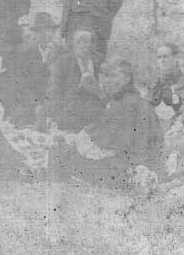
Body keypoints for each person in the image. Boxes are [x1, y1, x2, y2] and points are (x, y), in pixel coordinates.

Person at [51, 59, 162, 189]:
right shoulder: (127, 100)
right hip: (133, 161)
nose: (108, 81)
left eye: (113, 76)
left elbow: (109, 141)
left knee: (59, 153)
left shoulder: (127, 104)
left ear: (127, 79)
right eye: (106, 76)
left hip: (125, 164)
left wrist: (75, 138)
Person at [45, 28, 105, 131]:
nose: (82, 45)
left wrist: (96, 89)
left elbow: (106, 93)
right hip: (69, 118)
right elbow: (54, 92)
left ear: (93, 45)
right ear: (73, 44)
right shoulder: (63, 62)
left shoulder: (99, 63)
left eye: (85, 41)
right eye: (78, 41)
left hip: (95, 119)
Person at [12, 12, 64, 126]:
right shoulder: (25, 54)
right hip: (32, 106)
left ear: (54, 32)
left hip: (55, 106)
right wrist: (35, 105)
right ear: (36, 33)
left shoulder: (61, 53)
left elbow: (63, 85)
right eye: (41, 31)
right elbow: (22, 84)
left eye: (50, 30)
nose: (46, 35)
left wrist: (50, 106)